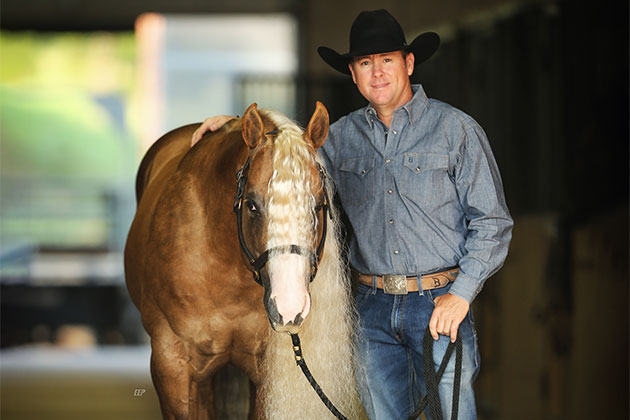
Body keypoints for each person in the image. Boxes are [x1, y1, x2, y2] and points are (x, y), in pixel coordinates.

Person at [191, 9, 513, 420]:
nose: (377, 72)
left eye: (387, 60)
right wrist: (234, 130)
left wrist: (461, 295)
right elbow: (284, 163)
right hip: (373, 311)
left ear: (409, 64)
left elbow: (494, 223)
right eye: (365, 63)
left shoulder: (457, 131)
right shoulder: (340, 137)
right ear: (353, 73)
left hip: (439, 304)